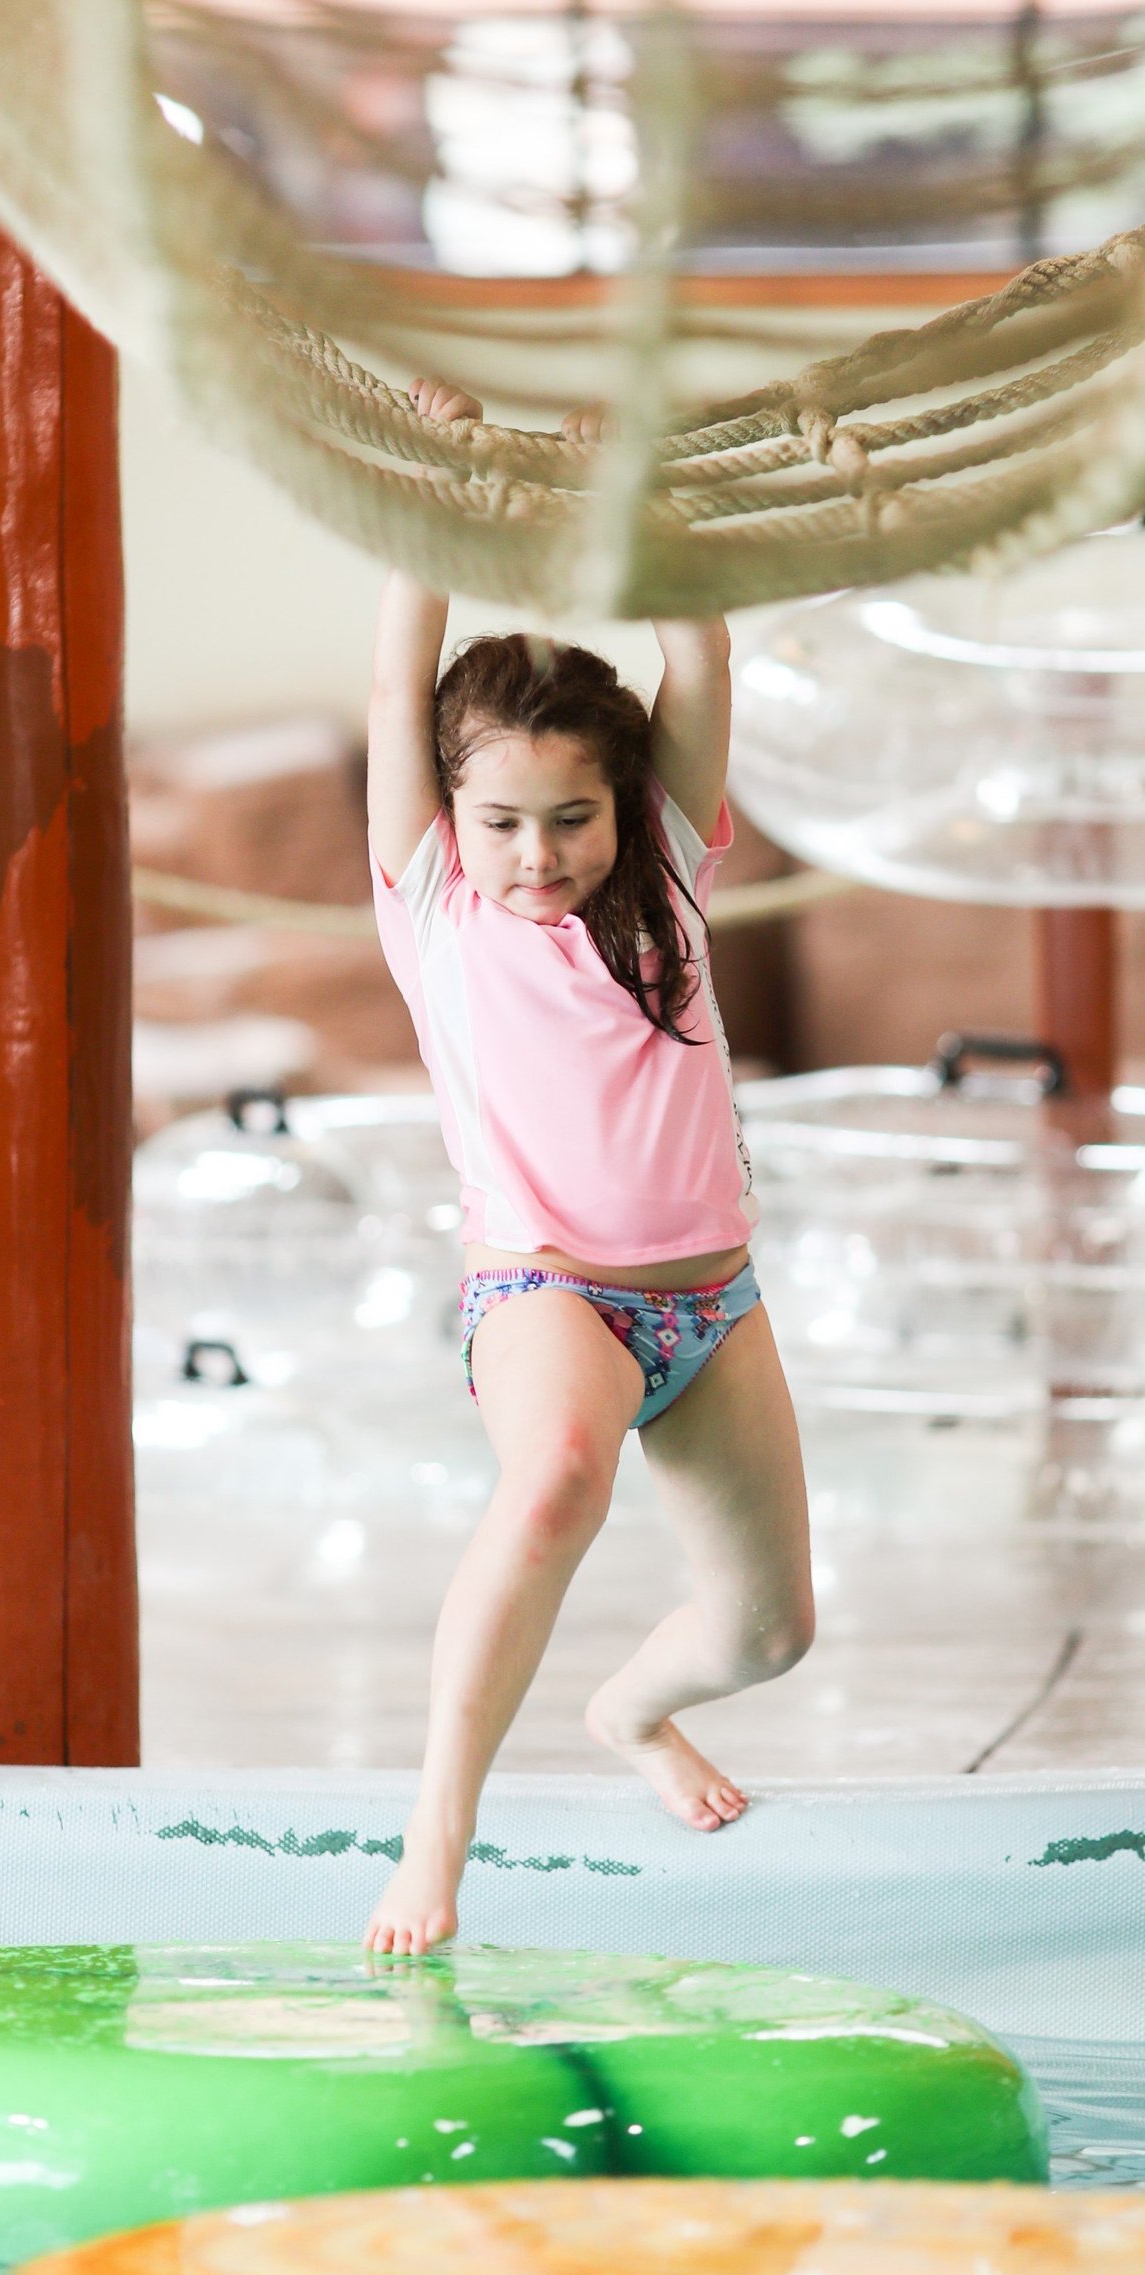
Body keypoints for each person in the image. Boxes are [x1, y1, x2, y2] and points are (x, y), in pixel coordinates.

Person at [363, 377, 814, 1957]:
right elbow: (397, 677)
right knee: (557, 1473)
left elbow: (705, 655)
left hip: (713, 1307)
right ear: (451, 814)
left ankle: (629, 1712)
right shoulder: (433, 903)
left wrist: (646, 491)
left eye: (572, 817)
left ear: (626, 805)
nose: (538, 854)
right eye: (501, 821)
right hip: (545, 1290)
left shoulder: (669, 875)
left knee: (768, 1633)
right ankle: (437, 1834)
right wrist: (434, 482)